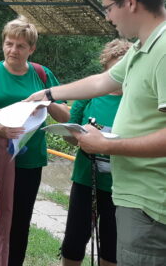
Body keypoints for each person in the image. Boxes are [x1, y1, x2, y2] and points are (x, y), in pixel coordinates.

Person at [26, 0, 166, 266]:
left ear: (129, 2)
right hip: (137, 200)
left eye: (108, 7)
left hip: (152, 207)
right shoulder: (145, 46)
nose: (107, 18)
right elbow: (102, 81)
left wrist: (107, 145)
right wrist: (47, 93)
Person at [0, 16, 70, 266]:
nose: (13, 50)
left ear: (32, 49)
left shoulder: (42, 74)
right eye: (9, 43)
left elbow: (66, 113)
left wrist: (48, 101)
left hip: (29, 160)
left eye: (20, 46)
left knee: (20, 220)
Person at [60, 39, 131, 266]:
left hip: (119, 186)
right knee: (74, 240)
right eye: (114, 70)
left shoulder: (134, 101)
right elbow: (68, 136)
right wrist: (79, 137)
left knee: (111, 245)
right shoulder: (89, 96)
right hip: (85, 180)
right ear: (106, 69)